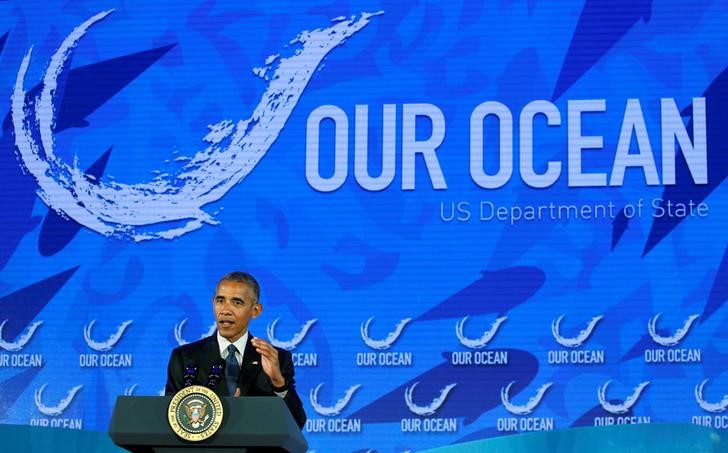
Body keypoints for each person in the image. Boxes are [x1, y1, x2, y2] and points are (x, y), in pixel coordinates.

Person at [165, 271, 306, 429]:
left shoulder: (277, 358)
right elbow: (172, 419)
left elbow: (296, 423)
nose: (225, 310)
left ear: (256, 310)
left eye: (237, 302)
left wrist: (278, 382)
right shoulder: (185, 357)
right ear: (213, 303)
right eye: (220, 300)